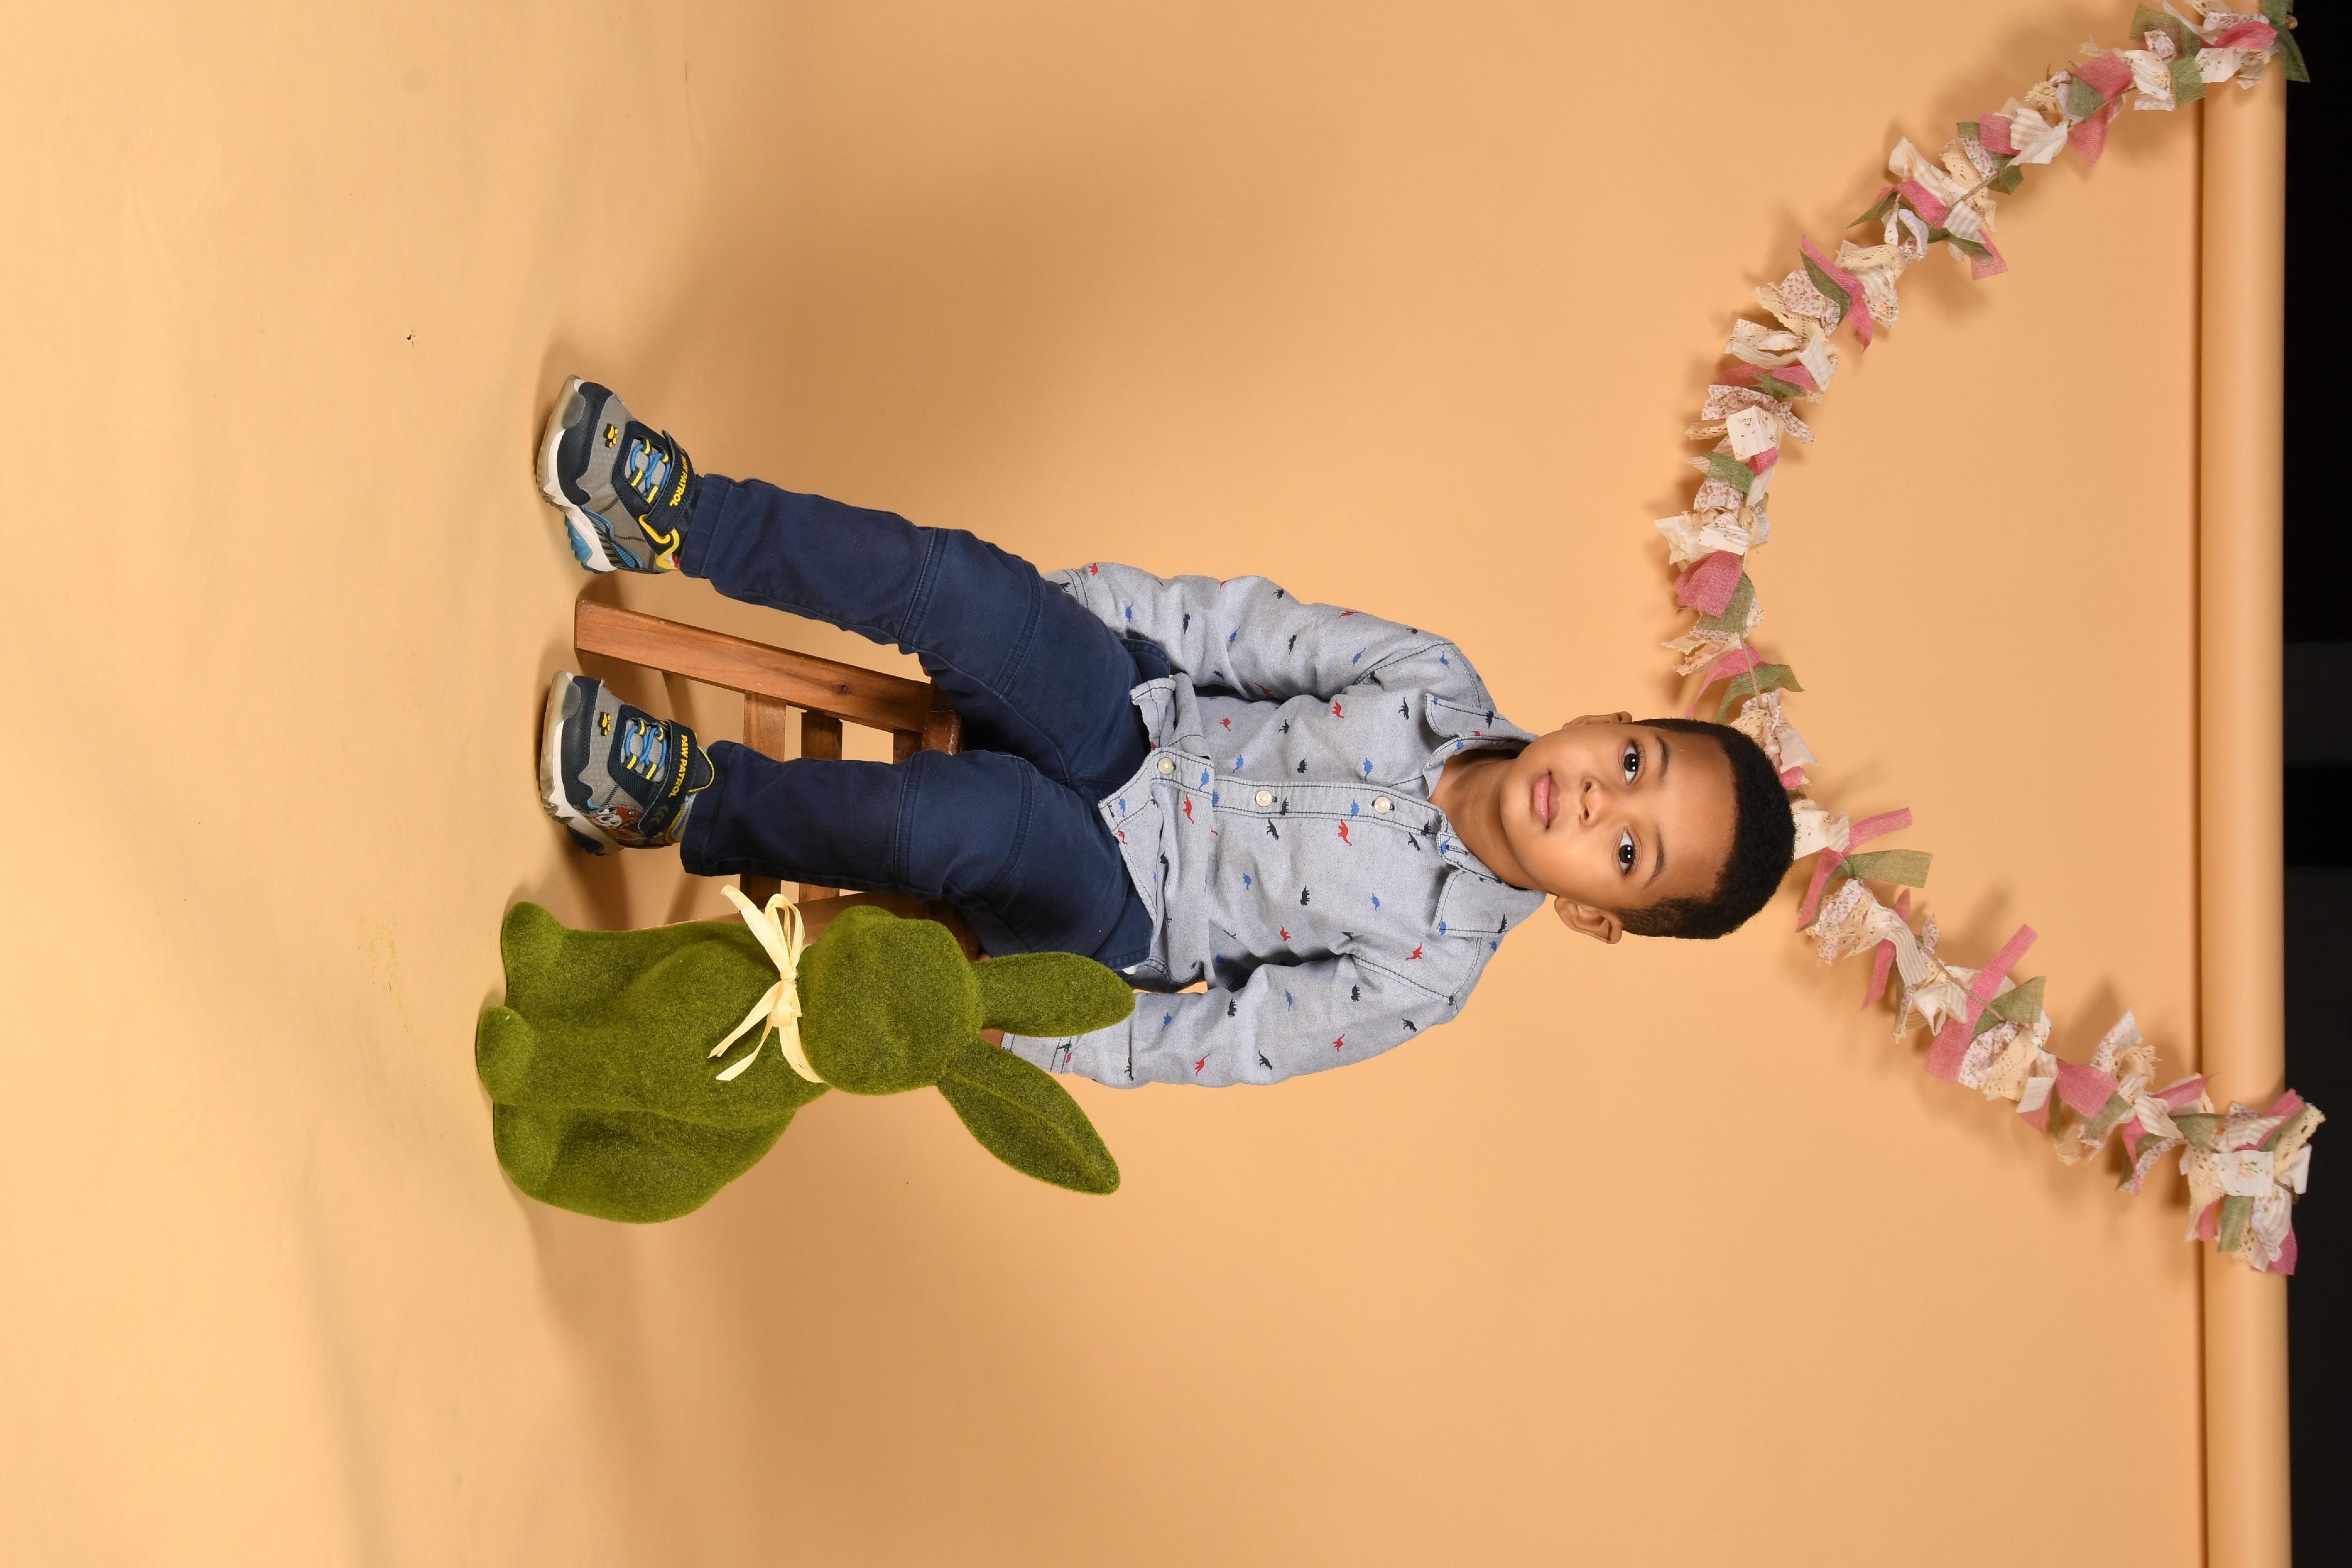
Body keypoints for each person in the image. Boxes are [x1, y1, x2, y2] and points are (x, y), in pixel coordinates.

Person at [533, 377, 1795, 1087]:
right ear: (1609, 721)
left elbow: (1227, 1041)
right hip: (1131, 723)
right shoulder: (1432, 680)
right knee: (963, 587)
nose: (1598, 802)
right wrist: (1063, 614)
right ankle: (680, 517)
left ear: (1592, 916)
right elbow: (1242, 631)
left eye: (1627, 852)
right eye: (1634, 764)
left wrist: (1035, 1026)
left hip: (1115, 899)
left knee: (968, 820)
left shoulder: (1429, 969)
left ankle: (685, 800)